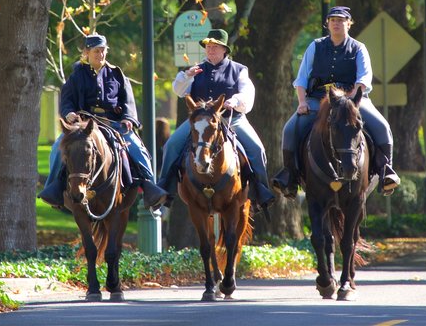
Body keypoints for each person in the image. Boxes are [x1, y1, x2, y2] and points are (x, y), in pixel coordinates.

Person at [272, 6, 401, 198]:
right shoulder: (315, 46)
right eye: (333, 20)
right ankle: (290, 176)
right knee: (290, 129)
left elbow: (363, 80)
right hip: (318, 99)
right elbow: (301, 79)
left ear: (349, 24)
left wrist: (350, 102)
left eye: (341, 20)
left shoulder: (359, 48)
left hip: (353, 100)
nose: (336, 23)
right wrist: (301, 102)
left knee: (382, 126)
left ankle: (386, 172)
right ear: (327, 24)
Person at [37, 33, 169, 212]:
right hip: (83, 125)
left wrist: (128, 118)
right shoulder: (76, 74)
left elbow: (127, 100)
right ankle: (54, 188)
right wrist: (69, 114)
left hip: (113, 123)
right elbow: (67, 101)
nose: (100, 55)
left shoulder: (117, 74)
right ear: (86, 52)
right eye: (96, 51)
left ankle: (149, 188)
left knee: (138, 148)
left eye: (103, 51)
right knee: (57, 147)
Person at [156, 28, 275, 211]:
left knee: (256, 148)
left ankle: (260, 193)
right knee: (171, 145)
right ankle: (164, 191)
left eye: (215, 47)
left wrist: (234, 100)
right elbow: (179, 91)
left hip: (231, 119)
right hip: (201, 123)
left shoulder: (239, 70)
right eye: (208, 46)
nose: (210, 50)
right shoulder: (196, 70)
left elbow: (247, 93)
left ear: (224, 49)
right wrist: (186, 76)